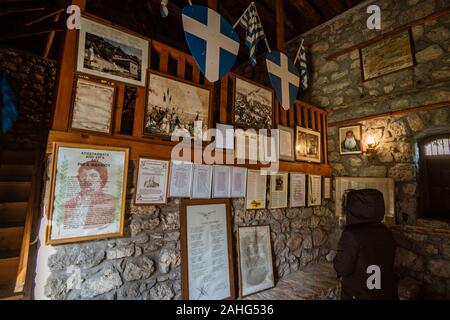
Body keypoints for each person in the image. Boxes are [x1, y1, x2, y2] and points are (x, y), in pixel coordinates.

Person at [334, 189, 398, 300]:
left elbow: (343, 268)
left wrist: (336, 260)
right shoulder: (385, 232)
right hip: (385, 293)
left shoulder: (352, 235)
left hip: (360, 293)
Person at [63, 160, 117, 229]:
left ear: (101, 179)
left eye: (93, 176)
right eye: (83, 176)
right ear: (79, 179)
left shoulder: (113, 202)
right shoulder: (67, 204)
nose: (87, 179)